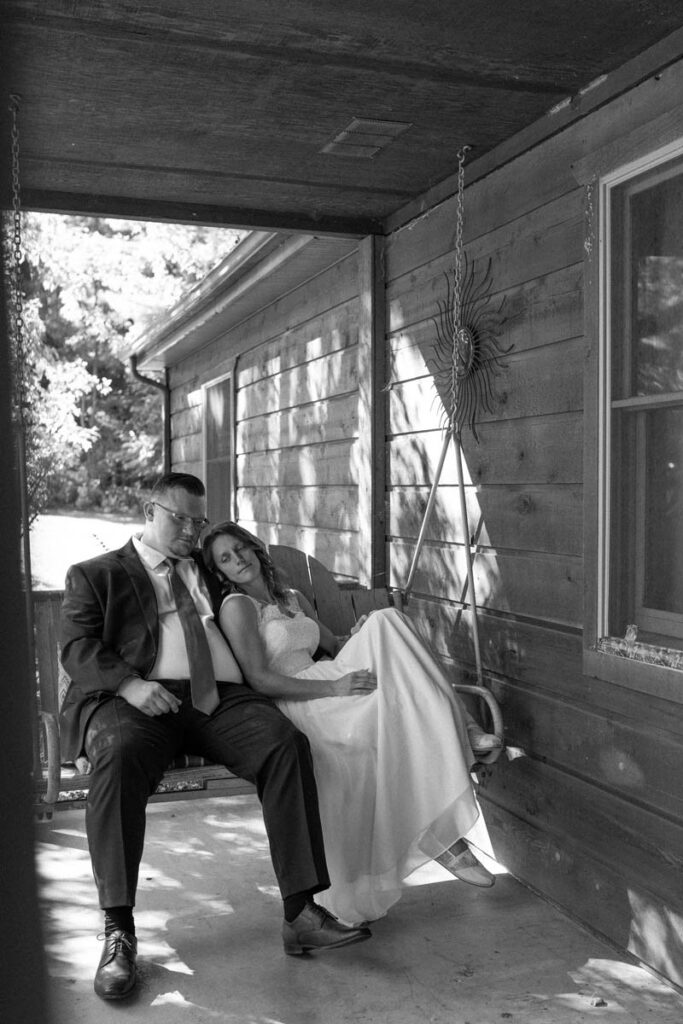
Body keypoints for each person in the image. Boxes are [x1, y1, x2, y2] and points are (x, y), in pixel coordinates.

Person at [59, 474, 371, 1002]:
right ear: (148, 510)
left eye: (196, 521)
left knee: (283, 743)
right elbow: (77, 647)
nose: (188, 529)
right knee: (119, 754)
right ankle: (118, 932)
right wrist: (131, 685)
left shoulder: (208, 569)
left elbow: (265, 593)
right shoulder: (98, 574)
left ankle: (301, 911)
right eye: (177, 518)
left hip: (221, 697)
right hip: (135, 698)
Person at [202, 521, 500, 928]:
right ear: (219, 572)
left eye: (240, 549)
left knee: (386, 621)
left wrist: (357, 636)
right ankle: (440, 833)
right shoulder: (237, 607)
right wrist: (334, 687)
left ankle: (449, 790)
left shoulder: (291, 598)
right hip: (299, 700)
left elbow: (335, 646)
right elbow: (260, 679)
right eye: (225, 558)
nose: (237, 560)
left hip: (329, 679)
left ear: (254, 549)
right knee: (390, 710)